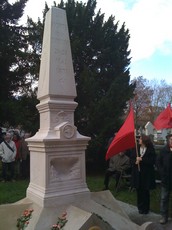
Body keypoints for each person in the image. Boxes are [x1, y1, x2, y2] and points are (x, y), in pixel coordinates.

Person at [130, 134, 156, 214]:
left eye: (140, 139)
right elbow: (131, 159)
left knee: (145, 191)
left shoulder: (150, 149)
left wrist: (142, 159)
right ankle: (140, 207)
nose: (139, 140)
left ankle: (146, 208)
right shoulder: (136, 149)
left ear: (145, 141)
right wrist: (135, 161)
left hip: (146, 175)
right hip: (138, 174)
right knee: (139, 191)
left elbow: (152, 161)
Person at [156, 134, 172, 224]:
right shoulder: (164, 151)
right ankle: (164, 216)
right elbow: (158, 162)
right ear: (168, 140)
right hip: (166, 179)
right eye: (171, 139)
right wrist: (162, 172)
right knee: (164, 198)